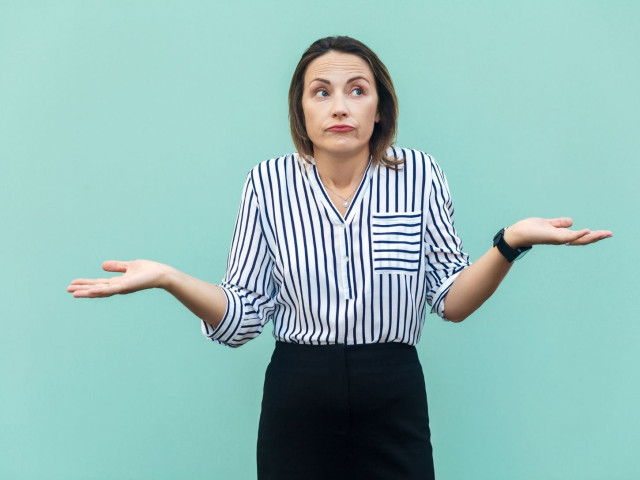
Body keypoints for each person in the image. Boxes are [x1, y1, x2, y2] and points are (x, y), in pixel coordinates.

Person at [67, 36, 612, 479]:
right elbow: (241, 318)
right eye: (321, 92)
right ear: (301, 111)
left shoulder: (420, 175)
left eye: (357, 90)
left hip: (393, 387)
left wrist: (510, 242)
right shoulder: (268, 184)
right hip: (298, 390)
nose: (340, 106)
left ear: (380, 108)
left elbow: (451, 301)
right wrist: (168, 277)